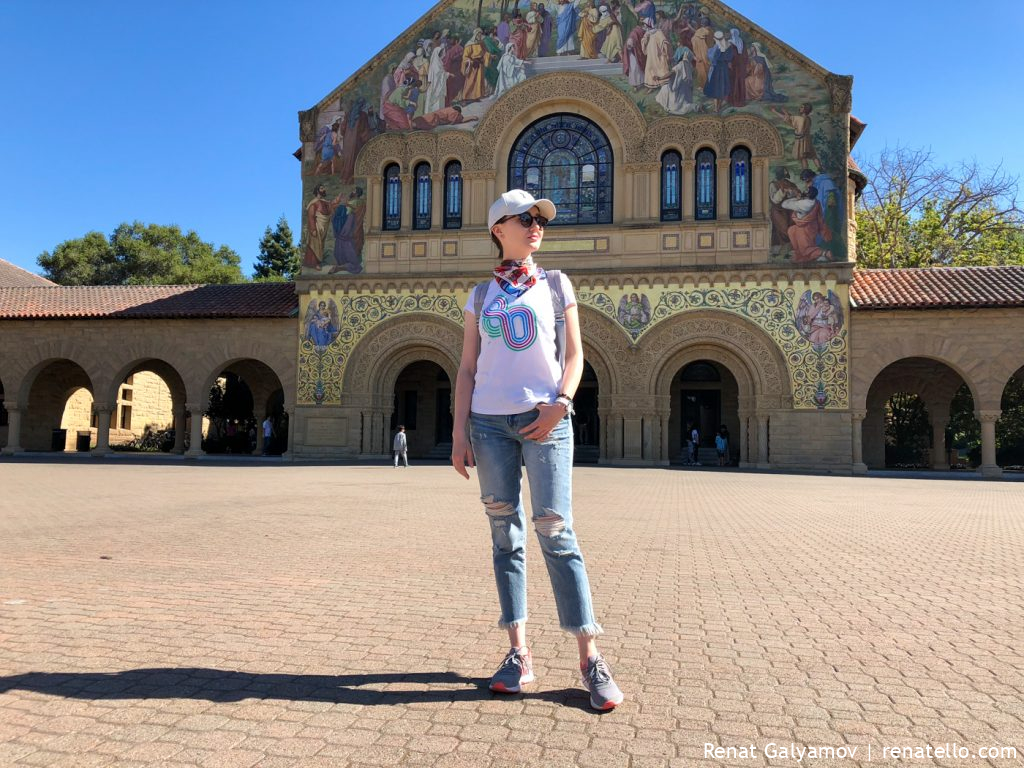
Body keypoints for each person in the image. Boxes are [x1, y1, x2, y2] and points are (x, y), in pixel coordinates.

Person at [451, 189, 624, 711]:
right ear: (498, 229)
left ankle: (590, 656)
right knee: (506, 536)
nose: (535, 226)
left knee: (556, 531)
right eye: (524, 219)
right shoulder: (480, 296)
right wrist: (459, 432)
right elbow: (465, 368)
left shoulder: (555, 285)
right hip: (488, 424)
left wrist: (562, 404)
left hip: (546, 421)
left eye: (539, 219)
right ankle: (518, 653)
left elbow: (575, 354)